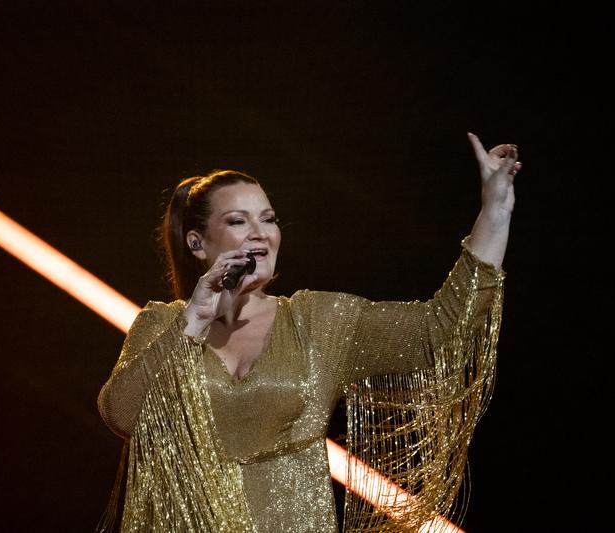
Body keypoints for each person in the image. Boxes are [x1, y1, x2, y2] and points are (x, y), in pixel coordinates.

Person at [96, 133, 520, 532]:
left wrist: (495, 212)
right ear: (197, 243)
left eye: (269, 219)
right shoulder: (162, 323)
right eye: (239, 221)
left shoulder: (317, 321)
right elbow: (122, 414)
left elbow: (440, 330)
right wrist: (194, 320)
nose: (261, 233)